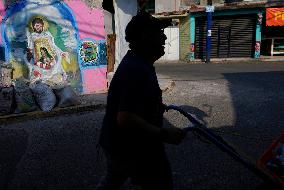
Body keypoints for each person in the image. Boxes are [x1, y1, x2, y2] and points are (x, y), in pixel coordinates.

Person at [97, 11, 186, 190]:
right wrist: (165, 134)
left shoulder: (140, 63)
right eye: (158, 32)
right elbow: (125, 118)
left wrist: (154, 105)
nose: (163, 37)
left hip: (121, 144)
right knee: (160, 183)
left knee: (113, 181)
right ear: (145, 37)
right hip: (131, 147)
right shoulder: (136, 69)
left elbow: (133, 100)